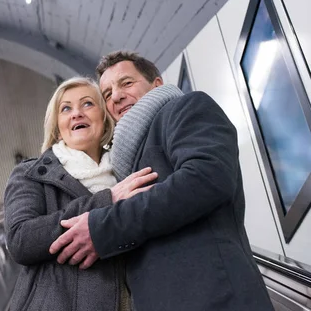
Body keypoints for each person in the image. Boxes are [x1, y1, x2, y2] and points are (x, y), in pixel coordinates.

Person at [49, 52, 274, 311]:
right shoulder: (125, 161)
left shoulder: (186, 107)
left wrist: (104, 227)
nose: (117, 96)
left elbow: (206, 178)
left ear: (157, 84)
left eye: (126, 83)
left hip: (215, 298)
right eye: (108, 94)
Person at [4, 77, 158, 311]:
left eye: (87, 104)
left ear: (105, 121)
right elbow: (20, 239)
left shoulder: (127, 174)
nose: (77, 113)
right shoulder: (31, 173)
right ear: (57, 128)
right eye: (66, 108)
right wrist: (108, 200)